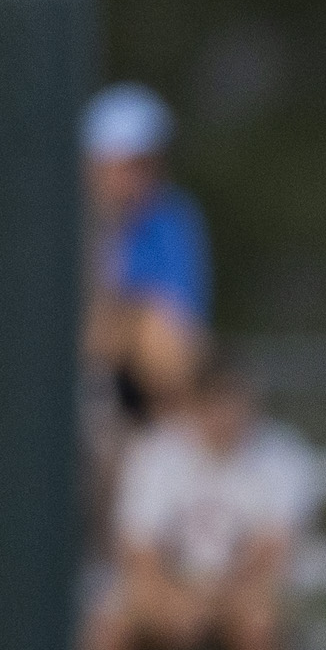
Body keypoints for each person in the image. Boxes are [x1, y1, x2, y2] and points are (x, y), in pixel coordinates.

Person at [77, 358, 319, 650]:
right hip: (169, 599)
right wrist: (173, 603)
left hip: (242, 601)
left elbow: (274, 553)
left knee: (259, 629)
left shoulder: (282, 457)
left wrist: (207, 603)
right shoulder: (158, 455)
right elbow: (138, 552)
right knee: (108, 632)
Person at [82, 83, 211, 423]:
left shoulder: (172, 218)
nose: (141, 177)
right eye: (129, 165)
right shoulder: (57, 221)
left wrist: (119, 326)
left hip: (139, 396)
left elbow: (174, 339)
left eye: (149, 163)